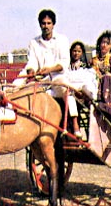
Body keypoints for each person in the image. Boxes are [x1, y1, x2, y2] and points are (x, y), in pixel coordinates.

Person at [13, 9, 80, 137]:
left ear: (53, 24)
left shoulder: (62, 40)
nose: (46, 26)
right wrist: (32, 71)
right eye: (43, 23)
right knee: (22, 89)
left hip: (58, 78)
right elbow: (32, 61)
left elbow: (64, 63)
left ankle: (75, 125)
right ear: (40, 24)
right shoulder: (34, 42)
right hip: (42, 81)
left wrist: (49, 70)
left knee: (67, 89)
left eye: (49, 23)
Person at [67, 41, 98, 136]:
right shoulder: (66, 66)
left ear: (82, 53)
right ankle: (76, 128)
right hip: (72, 93)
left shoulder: (85, 67)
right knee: (70, 96)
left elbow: (87, 81)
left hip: (83, 95)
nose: (76, 53)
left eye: (79, 51)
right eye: (74, 51)